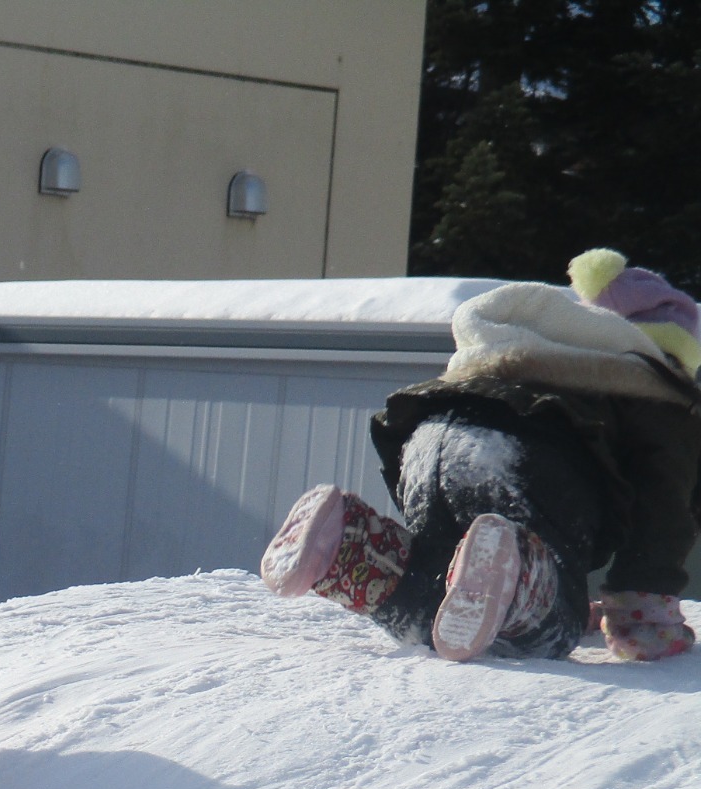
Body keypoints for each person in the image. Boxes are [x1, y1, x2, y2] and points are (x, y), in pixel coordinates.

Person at [261, 250, 701, 663]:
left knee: (431, 597)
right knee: (554, 629)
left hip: (425, 440)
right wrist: (643, 620)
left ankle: (347, 544)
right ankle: (517, 578)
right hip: (529, 457)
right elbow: (662, 512)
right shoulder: (663, 399)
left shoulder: (546, 351)